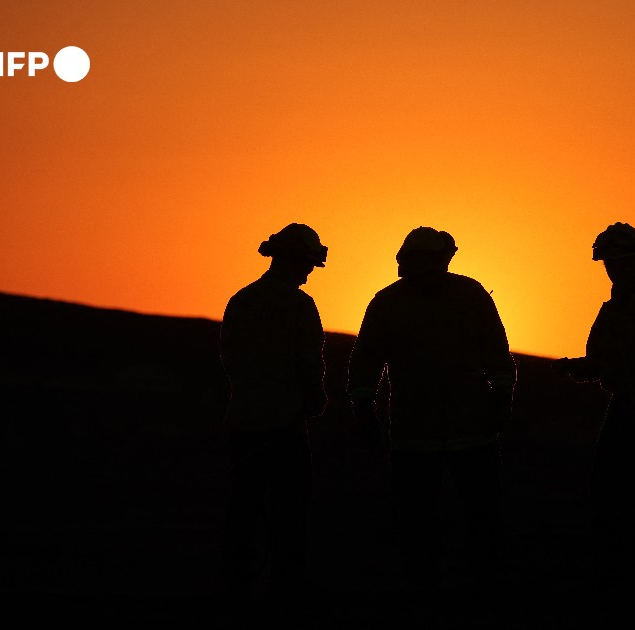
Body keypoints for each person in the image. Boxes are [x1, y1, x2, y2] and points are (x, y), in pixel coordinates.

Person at [347, 227, 516, 588]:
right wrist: (363, 404)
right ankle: (426, 582)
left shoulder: (468, 296)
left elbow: (497, 353)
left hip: (467, 430)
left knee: (478, 513)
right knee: (420, 516)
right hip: (418, 432)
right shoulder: (390, 303)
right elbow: (367, 361)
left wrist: (503, 396)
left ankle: (483, 579)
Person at [553, 222, 635, 589]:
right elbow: (598, 364)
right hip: (626, 407)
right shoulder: (612, 311)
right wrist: (570, 368)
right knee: (608, 487)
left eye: (620, 262)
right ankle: (616, 564)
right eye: (610, 262)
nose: (614, 268)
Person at [219, 223, 328, 606]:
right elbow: (309, 361)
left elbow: (229, 358)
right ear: (293, 260)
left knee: (243, 508)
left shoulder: (242, 300)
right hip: (285, 425)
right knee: (291, 510)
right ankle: (286, 587)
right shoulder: (300, 306)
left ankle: (236, 584)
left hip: (244, 421)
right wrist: (313, 398)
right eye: (307, 263)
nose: (309, 271)